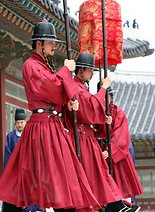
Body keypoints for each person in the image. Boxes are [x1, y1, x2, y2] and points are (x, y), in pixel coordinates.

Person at [0, 21, 101, 212]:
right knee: (29, 175)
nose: (55, 45)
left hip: (53, 126)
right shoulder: (31, 65)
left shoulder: (45, 66)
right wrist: (66, 70)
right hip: (41, 127)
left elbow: (59, 90)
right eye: (50, 42)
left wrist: (67, 103)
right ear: (39, 43)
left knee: (64, 177)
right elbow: (49, 87)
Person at [64, 52, 140, 212]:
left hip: (87, 138)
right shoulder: (75, 86)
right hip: (81, 138)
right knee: (95, 174)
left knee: (99, 173)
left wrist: (104, 122)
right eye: (90, 71)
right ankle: (113, 206)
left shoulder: (80, 87)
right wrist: (104, 87)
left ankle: (115, 205)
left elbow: (93, 113)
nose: (92, 74)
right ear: (81, 70)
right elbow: (91, 107)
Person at [97, 86, 143, 210]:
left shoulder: (118, 112)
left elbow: (121, 136)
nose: (105, 99)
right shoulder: (96, 111)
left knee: (122, 183)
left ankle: (125, 207)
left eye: (108, 97)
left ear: (111, 97)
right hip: (101, 153)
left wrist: (109, 150)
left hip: (117, 154)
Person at [2, 108, 46, 212]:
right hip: (15, 171)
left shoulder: (31, 135)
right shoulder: (10, 137)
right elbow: (8, 155)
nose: (20, 125)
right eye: (17, 123)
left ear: (26, 122)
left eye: (22, 122)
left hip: (28, 170)